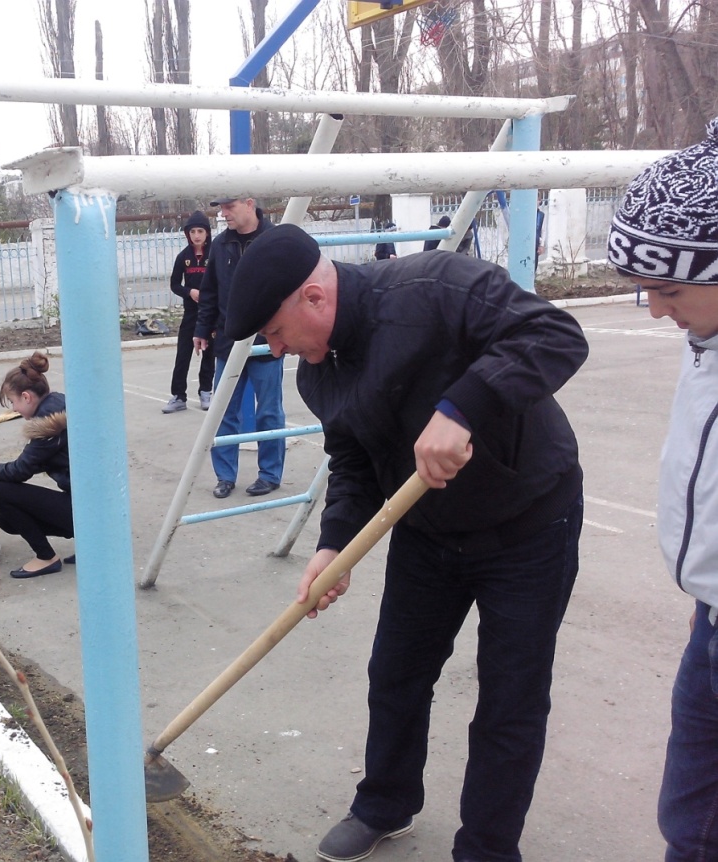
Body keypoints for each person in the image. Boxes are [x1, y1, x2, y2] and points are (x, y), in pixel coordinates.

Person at [226, 224, 588, 862]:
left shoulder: (436, 285)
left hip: (529, 523)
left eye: (276, 332)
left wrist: (462, 407)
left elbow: (556, 335)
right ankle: (384, 805)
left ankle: (486, 848)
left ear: (313, 297)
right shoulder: (319, 373)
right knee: (395, 672)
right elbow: (353, 462)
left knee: (510, 696)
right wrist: (335, 545)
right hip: (427, 535)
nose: (275, 350)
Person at [607, 117, 718, 862]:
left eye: (667, 287)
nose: (653, 309)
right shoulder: (703, 335)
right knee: (688, 817)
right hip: (710, 617)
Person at [192, 195, 286, 499]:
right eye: (220, 207)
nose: (223, 213)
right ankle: (225, 476)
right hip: (229, 343)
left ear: (249, 203)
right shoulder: (221, 245)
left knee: (269, 413)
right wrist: (202, 329)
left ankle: (270, 474)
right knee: (224, 412)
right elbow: (209, 291)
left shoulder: (274, 240)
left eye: (229, 207)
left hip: (266, 342)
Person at [0, 351, 74, 579]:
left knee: (3, 493)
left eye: (13, 401)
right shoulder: (59, 405)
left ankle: (46, 557)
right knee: (8, 520)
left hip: (85, 508)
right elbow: (35, 462)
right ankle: (91, 541)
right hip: (99, 506)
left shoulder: (49, 425)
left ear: (27, 397)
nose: (14, 409)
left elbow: (21, 470)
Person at [163, 210, 215, 414]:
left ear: (207, 233)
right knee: (183, 354)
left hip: (211, 314)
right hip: (191, 314)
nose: (196, 235)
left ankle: (205, 392)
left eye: (200, 230)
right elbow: (174, 284)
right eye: (192, 231)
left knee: (209, 354)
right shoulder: (183, 257)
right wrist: (189, 292)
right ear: (187, 234)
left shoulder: (215, 254)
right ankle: (178, 396)